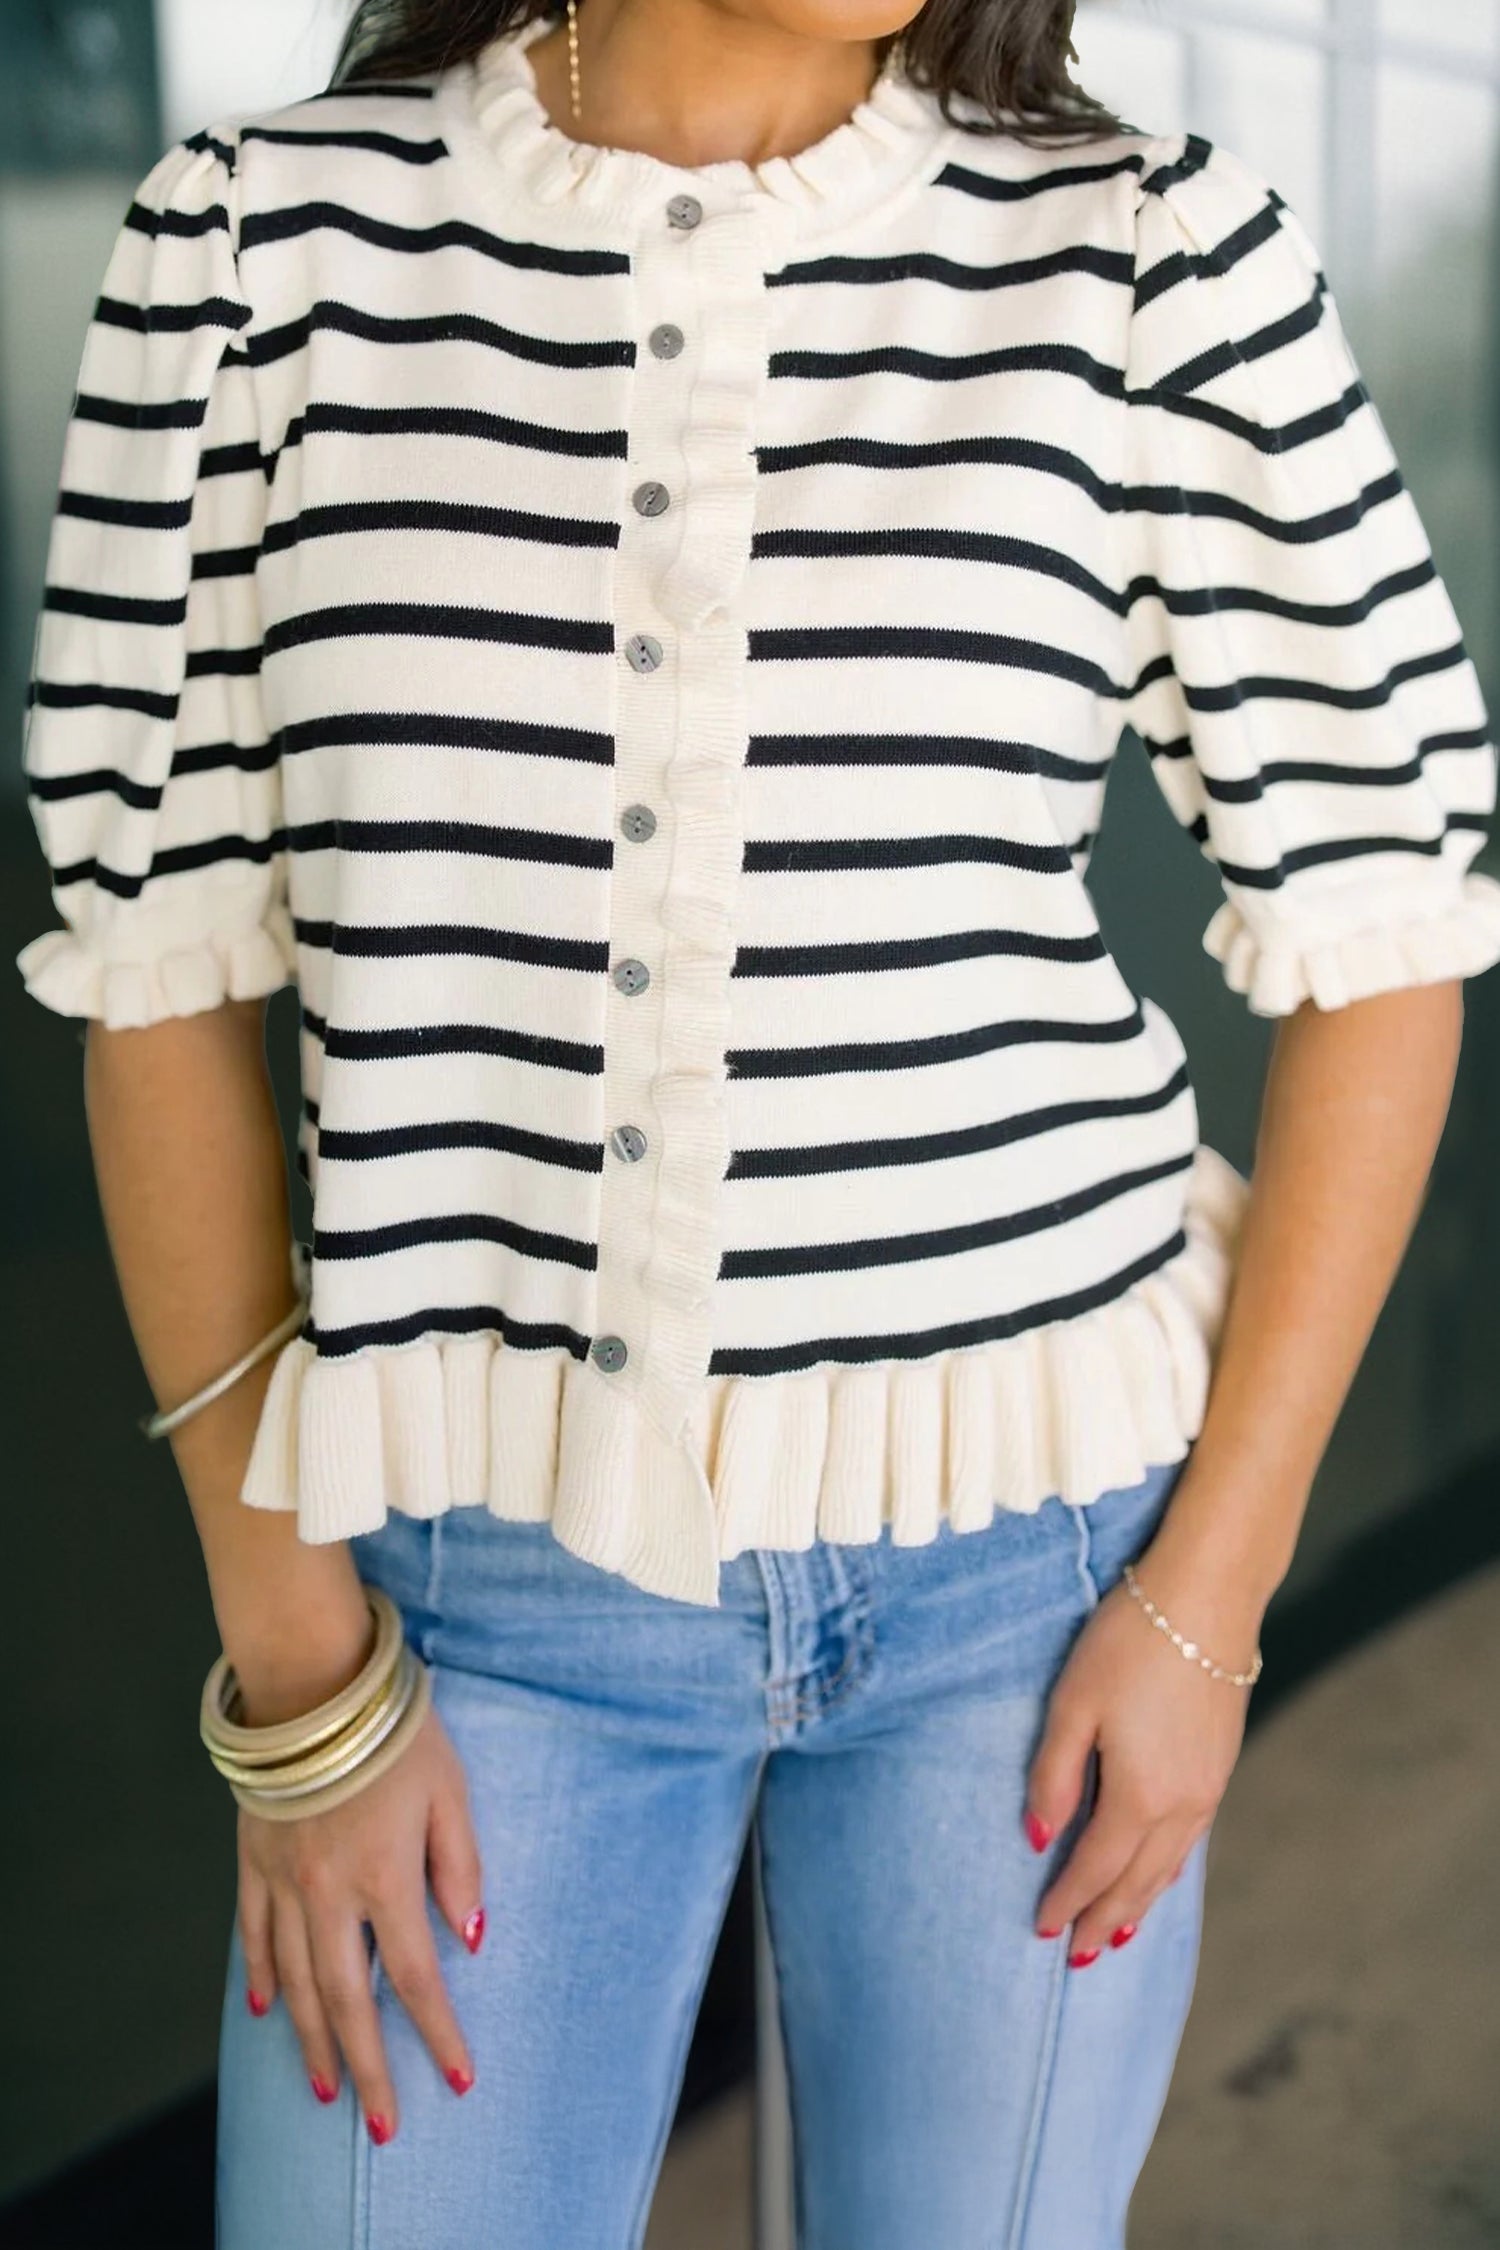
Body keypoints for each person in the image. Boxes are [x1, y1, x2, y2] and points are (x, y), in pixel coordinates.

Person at [15, 0, 1500, 2241]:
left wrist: (1214, 1598)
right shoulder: (248, 255)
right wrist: (301, 1672)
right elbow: (156, 981)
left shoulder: (1150, 261)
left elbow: (1387, 930)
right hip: (468, 1609)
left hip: (1047, 1574)